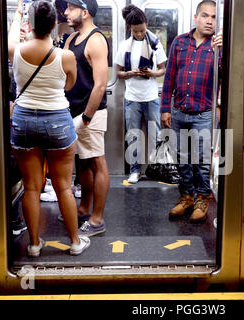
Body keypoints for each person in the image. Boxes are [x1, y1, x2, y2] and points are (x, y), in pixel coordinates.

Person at [8, 0, 90, 256]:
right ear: (55, 25)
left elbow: (11, 36)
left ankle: (33, 244)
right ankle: (75, 242)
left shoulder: (16, 51)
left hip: (22, 120)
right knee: (63, 185)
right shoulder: (65, 56)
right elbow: (69, 86)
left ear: (30, 24)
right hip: (56, 119)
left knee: (31, 186)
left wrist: (19, 12)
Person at [161, 0, 222, 222]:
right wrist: (165, 109)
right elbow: (169, 77)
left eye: (214, 17)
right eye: (205, 16)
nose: (209, 21)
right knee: (182, 158)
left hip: (204, 113)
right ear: (196, 17)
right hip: (179, 112)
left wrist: (223, 51)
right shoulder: (179, 42)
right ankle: (186, 197)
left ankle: (202, 199)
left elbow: (229, 76)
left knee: (202, 160)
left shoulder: (218, 46)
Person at [63, 0, 110, 236]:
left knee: (96, 162)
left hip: (91, 113)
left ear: (85, 11)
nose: (65, 12)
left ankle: (97, 219)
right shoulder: (71, 39)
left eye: (70, 8)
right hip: (72, 111)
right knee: (83, 163)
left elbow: (100, 85)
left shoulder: (96, 40)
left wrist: (87, 117)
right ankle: (83, 208)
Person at [115, 5, 167, 184]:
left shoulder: (155, 43)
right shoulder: (124, 46)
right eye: (136, 31)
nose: (139, 34)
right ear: (130, 29)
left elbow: (162, 70)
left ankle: (158, 168)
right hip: (132, 97)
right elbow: (119, 73)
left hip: (151, 96)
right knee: (133, 135)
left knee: (156, 134)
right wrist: (132, 73)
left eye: (142, 30)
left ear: (146, 24)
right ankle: (135, 170)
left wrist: (151, 74)